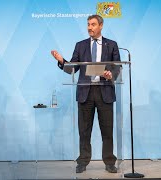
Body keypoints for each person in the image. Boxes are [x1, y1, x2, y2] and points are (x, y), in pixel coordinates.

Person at [51, 15, 120, 173]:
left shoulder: (112, 45)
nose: (90, 27)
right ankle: (82, 161)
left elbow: (117, 67)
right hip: (85, 92)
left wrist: (111, 74)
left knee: (107, 130)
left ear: (101, 26)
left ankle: (109, 162)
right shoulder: (80, 45)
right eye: (88, 24)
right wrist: (62, 61)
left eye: (93, 24)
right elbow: (72, 69)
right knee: (84, 130)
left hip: (105, 90)